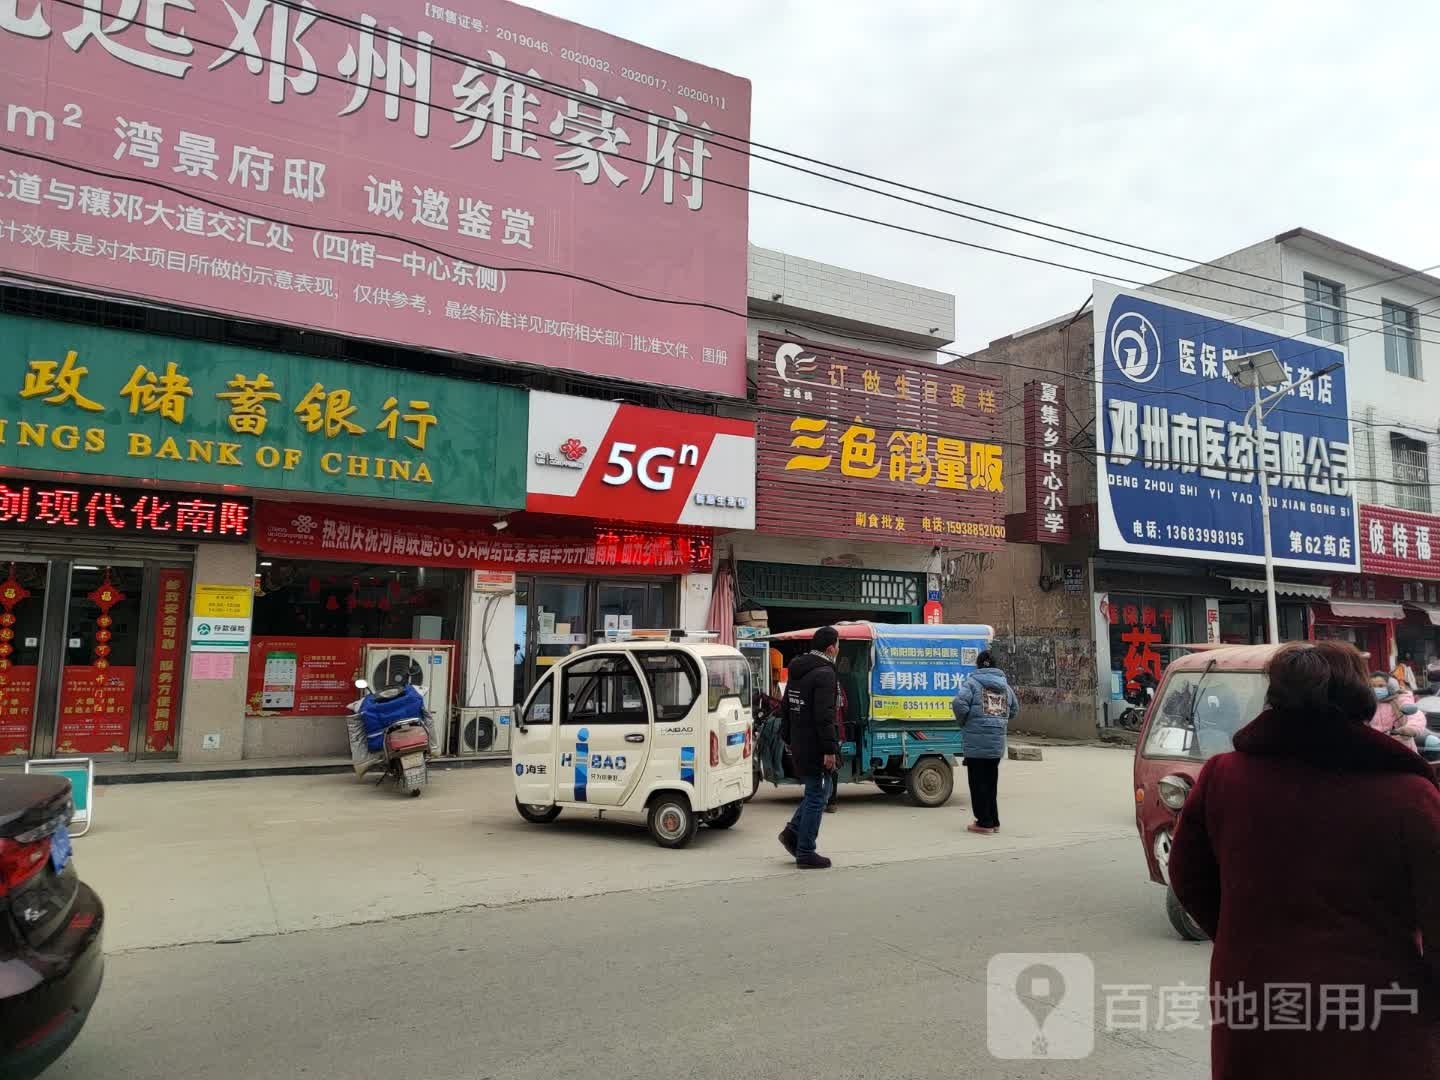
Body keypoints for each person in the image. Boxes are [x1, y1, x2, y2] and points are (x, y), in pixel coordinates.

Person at [1169, 641, 1440, 1079]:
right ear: (1361, 704)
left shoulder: (1223, 777)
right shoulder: (1408, 796)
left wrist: (1246, 937)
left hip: (1257, 994)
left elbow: (1187, 876)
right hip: (1378, 1008)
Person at [777, 626, 840, 869]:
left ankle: (792, 833)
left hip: (800, 741)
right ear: (830, 647)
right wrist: (829, 750)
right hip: (815, 745)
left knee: (820, 791)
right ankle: (805, 851)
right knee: (817, 795)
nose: (838, 649)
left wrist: (790, 738)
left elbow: (786, 707)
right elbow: (824, 717)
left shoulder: (798, 669)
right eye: (838, 644)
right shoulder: (824, 673)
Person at [950, 651, 1018, 834]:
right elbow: (1014, 710)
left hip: (975, 744)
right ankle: (994, 820)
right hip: (996, 744)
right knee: (990, 782)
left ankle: (984, 822)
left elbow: (958, 705)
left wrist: (964, 722)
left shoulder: (972, 684)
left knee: (978, 783)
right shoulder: (1006, 688)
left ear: (978, 665)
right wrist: (1000, 721)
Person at [1371, 672, 1426, 753]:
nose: (1376, 689)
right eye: (1373, 686)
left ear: (1390, 686)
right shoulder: (1368, 703)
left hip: (1401, 748)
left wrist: (1411, 728)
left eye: (1381, 686)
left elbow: (1415, 715)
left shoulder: (1401, 699)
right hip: (1376, 748)